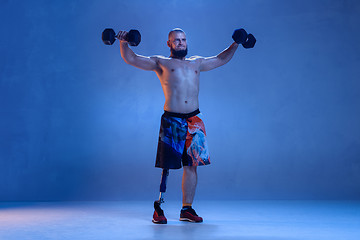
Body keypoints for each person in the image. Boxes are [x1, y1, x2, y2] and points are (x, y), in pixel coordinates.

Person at [116, 28, 255, 224]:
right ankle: (159, 206)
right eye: (176, 40)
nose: (181, 43)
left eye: (183, 40)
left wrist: (236, 44)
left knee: (192, 165)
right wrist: (123, 42)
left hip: (194, 120)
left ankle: (186, 209)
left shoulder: (196, 62)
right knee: (166, 166)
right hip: (172, 119)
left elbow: (221, 59)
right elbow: (131, 58)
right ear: (169, 43)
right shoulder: (161, 62)